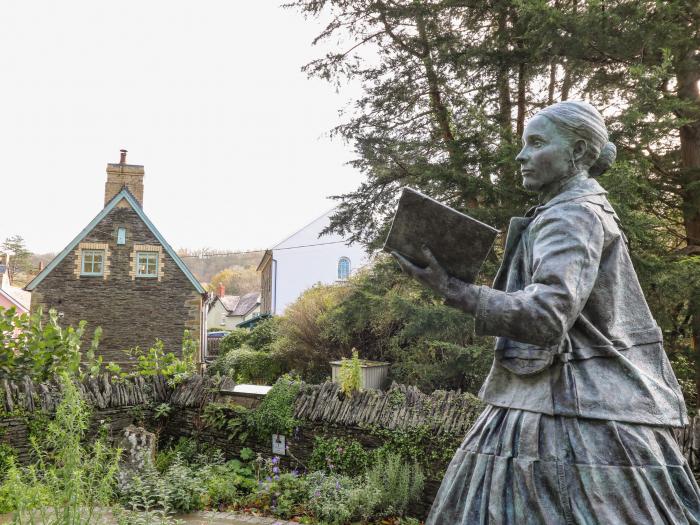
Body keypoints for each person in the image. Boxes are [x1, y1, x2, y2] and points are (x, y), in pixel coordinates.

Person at [393, 100, 700, 524]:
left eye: (536, 143)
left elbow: (547, 315)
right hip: (557, 396)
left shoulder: (571, 215)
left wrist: (454, 290)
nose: (522, 155)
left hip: (573, 404)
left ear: (577, 151)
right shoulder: (573, 211)